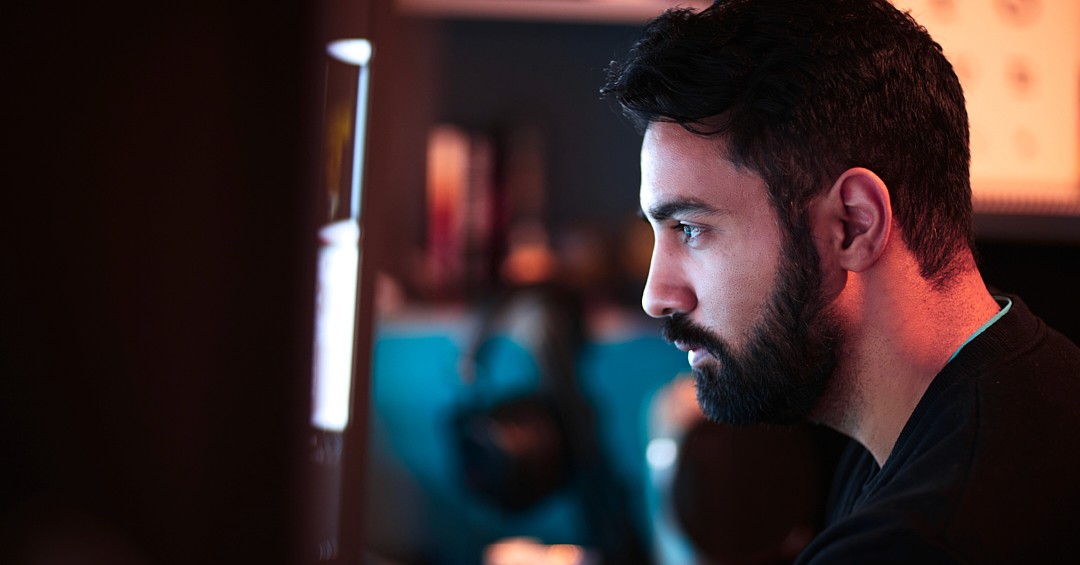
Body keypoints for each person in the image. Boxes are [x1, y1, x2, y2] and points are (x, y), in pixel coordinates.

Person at [601, 0, 1080, 561]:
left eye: (690, 228)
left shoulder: (916, 540)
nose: (656, 297)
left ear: (853, 224)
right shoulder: (1028, 383)